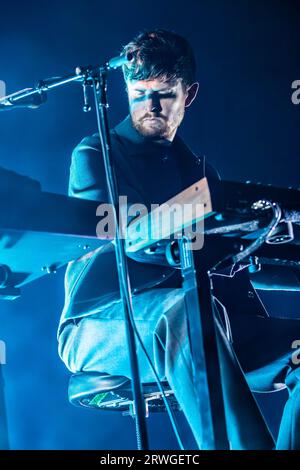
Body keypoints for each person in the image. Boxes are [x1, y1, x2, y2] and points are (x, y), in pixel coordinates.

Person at [57, 29, 299, 449]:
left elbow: (242, 259)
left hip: (204, 317)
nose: (150, 106)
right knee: (187, 314)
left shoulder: (200, 171)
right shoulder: (95, 154)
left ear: (190, 93)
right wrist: (196, 234)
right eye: (139, 92)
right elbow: (120, 240)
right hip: (104, 324)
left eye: (165, 94)